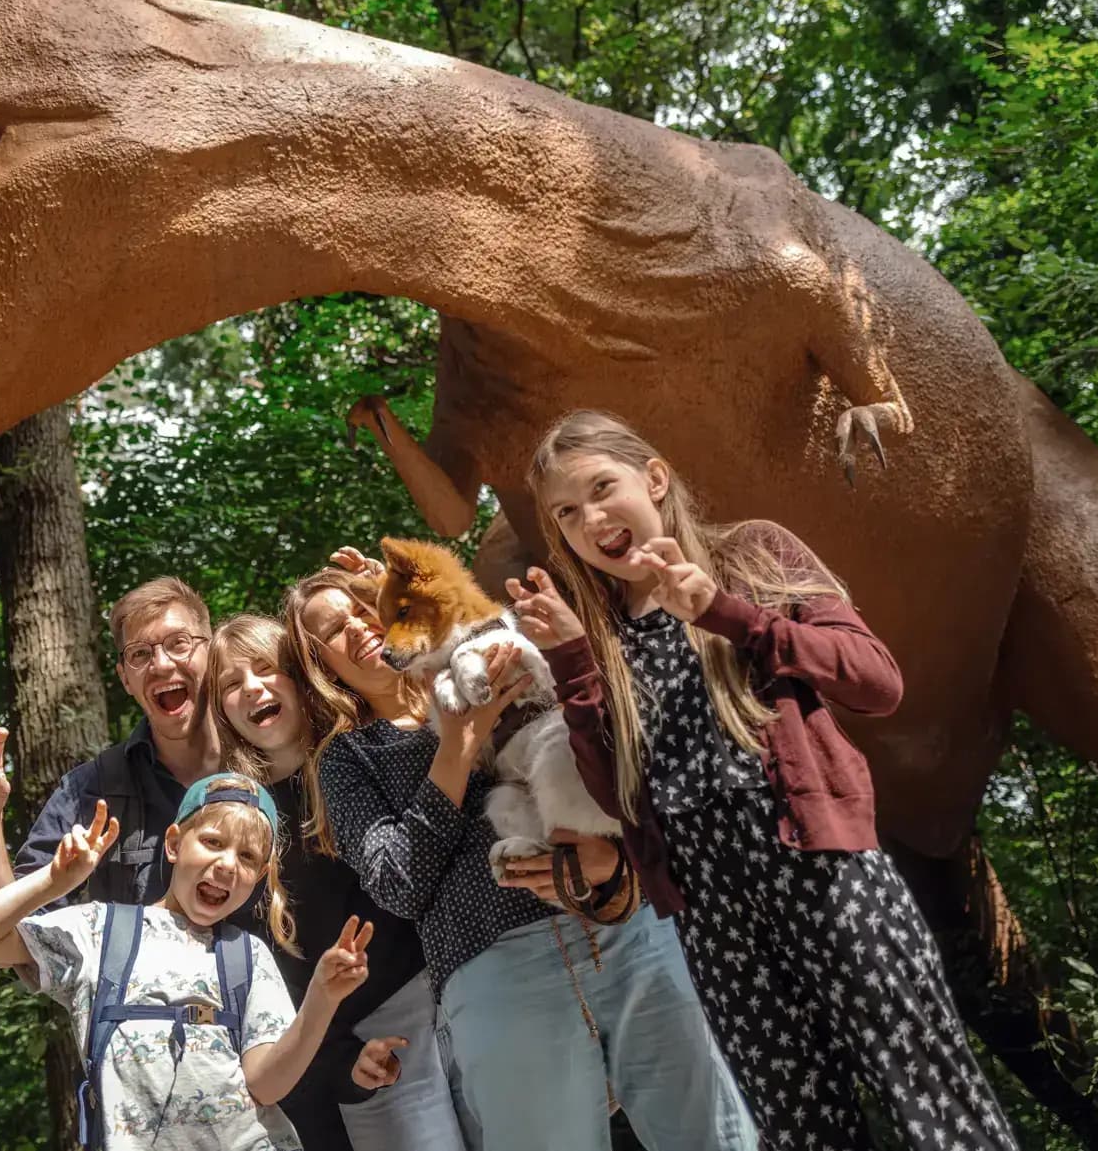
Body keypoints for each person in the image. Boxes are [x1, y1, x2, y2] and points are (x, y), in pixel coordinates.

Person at [515, 407, 1020, 1151]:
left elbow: (877, 682)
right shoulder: (599, 637)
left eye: (600, 488)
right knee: (805, 1132)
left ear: (653, 478)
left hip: (827, 874)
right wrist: (569, 661)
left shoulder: (752, 554)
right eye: (566, 512)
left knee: (930, 1098)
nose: (589, 518)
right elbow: (616, 797)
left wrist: (725, 613)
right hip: (713, 921)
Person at [295, 555, 757, 1151]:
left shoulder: (493, 646)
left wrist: (615, 869)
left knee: (712, 1136)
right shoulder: (351, 758)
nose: (358, 625)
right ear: (320, 665)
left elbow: (616, 753)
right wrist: (459, 746)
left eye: (365, 607)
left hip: (624, 929)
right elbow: (398, 884)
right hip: (498, 972)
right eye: (332, 628)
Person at [0, 774, 383, 1150]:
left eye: (248, 857)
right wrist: (51, 882)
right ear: (174, 843)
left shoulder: (247, 956)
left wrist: (323, 998)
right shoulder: (101, 932)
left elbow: (267, 1085)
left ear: (259, 878)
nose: (228, 865)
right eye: (213, 842)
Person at [202, 613, 469, 1151]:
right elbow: (266, 980)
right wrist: (343, 1058)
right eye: (231, 684)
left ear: (302, 677)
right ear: (221, 711)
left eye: (266, 669)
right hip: (376, 1049)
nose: (252, 688)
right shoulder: (241, 828)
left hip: (468, 995)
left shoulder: (374, 752)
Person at [0, 577, 222, 908]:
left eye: (179, 643)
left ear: (213, 653)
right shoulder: (92, 789)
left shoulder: (272, 763)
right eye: (139, 653)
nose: (162, 664)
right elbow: (11, 929)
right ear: (125, 678)